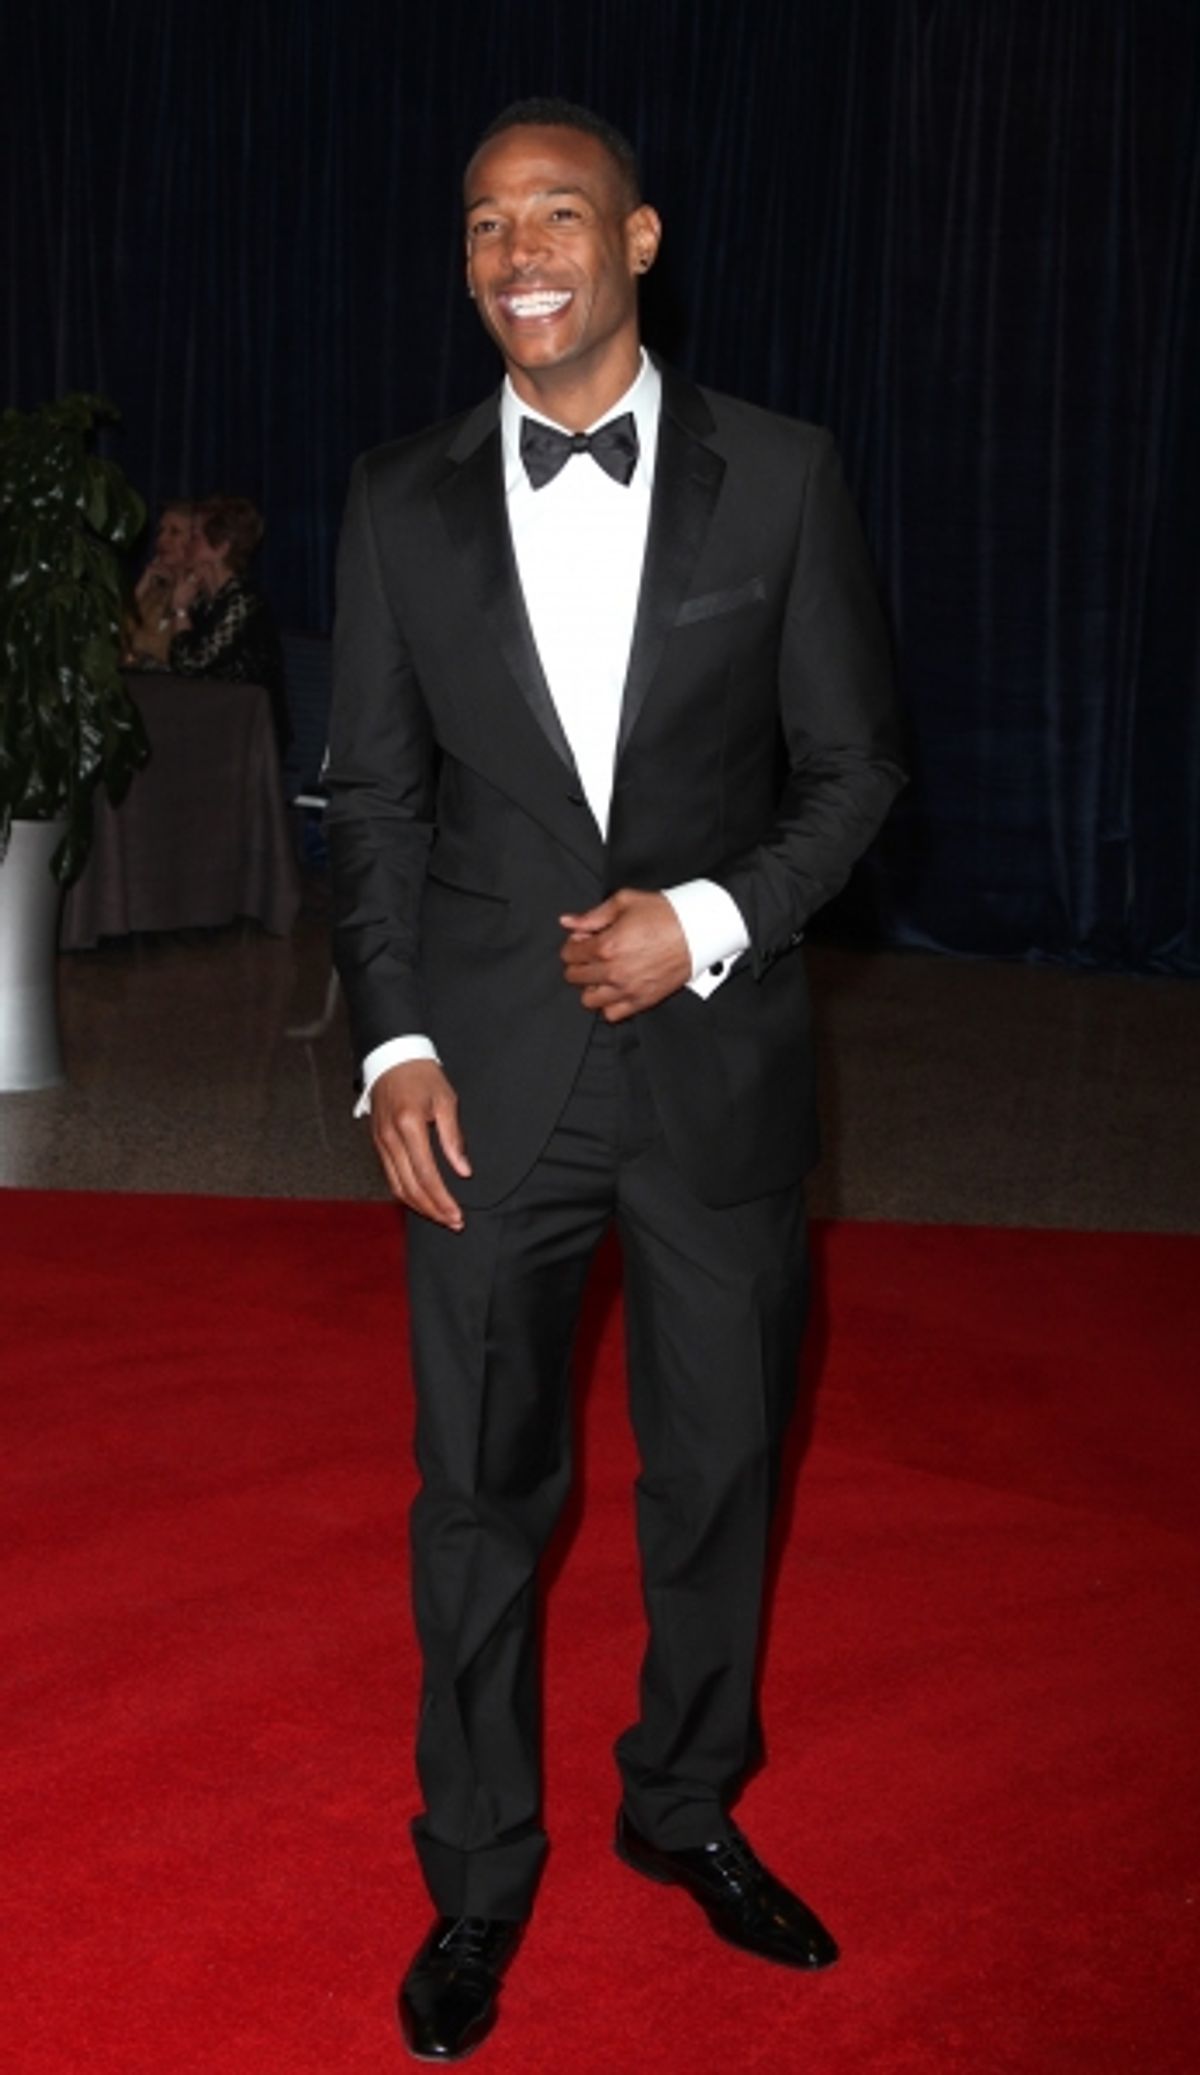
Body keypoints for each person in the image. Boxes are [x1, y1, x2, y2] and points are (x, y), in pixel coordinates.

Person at [326, 97, 905, 2063]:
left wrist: (712, 918)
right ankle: (479, 1866)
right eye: (484, 224)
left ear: (640, 237)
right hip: (483, 1079)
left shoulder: (785, 481)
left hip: (718, 1070)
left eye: (554, 213)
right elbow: (379, 803)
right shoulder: (398, 497)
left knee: (721, 1462)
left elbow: (856, 774)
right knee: (478, 1490)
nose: (518, 253)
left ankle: (684, 1802)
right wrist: (393, 1040)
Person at [167, 494, 289, 750]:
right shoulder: (203, 599)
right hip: (211, 718)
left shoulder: (244, 600)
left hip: (248, 732)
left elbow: (191, 665)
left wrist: (180, 611)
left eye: (196, 537)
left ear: (221, 547)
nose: (187, 544)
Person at [122, 499, 197, 664]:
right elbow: (114, 643)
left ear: (196, 542)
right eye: (160, 531)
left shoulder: (198, 596)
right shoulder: (155, 590)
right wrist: (141, 587)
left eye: (174, 532)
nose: (162, 539)